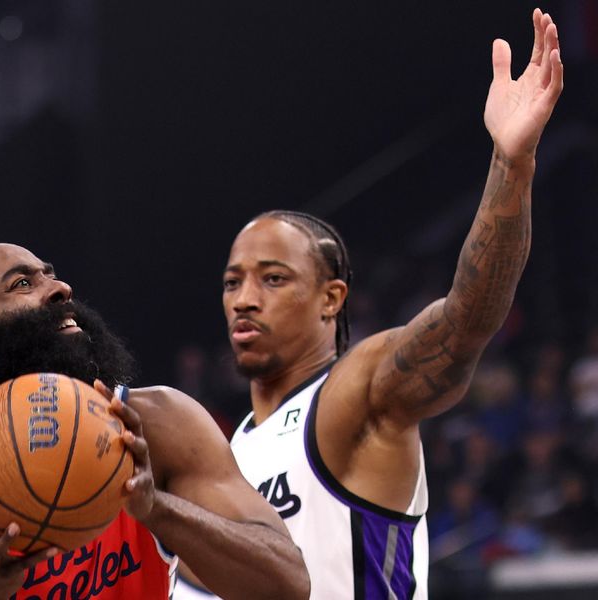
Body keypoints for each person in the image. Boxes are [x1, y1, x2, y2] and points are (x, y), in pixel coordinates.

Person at [175, 8, 563, 599]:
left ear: (332, 298)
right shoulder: (228, 452)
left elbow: (465, 321)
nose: (244, 300)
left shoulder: (357, 393)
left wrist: (512, 164)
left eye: (273, 279)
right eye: (233, 282)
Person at [0, 242, 310, 599]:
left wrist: (156, 508)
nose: (59, 288)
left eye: (50, 275)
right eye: (21, 284)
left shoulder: (157, 424)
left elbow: (286, 586)